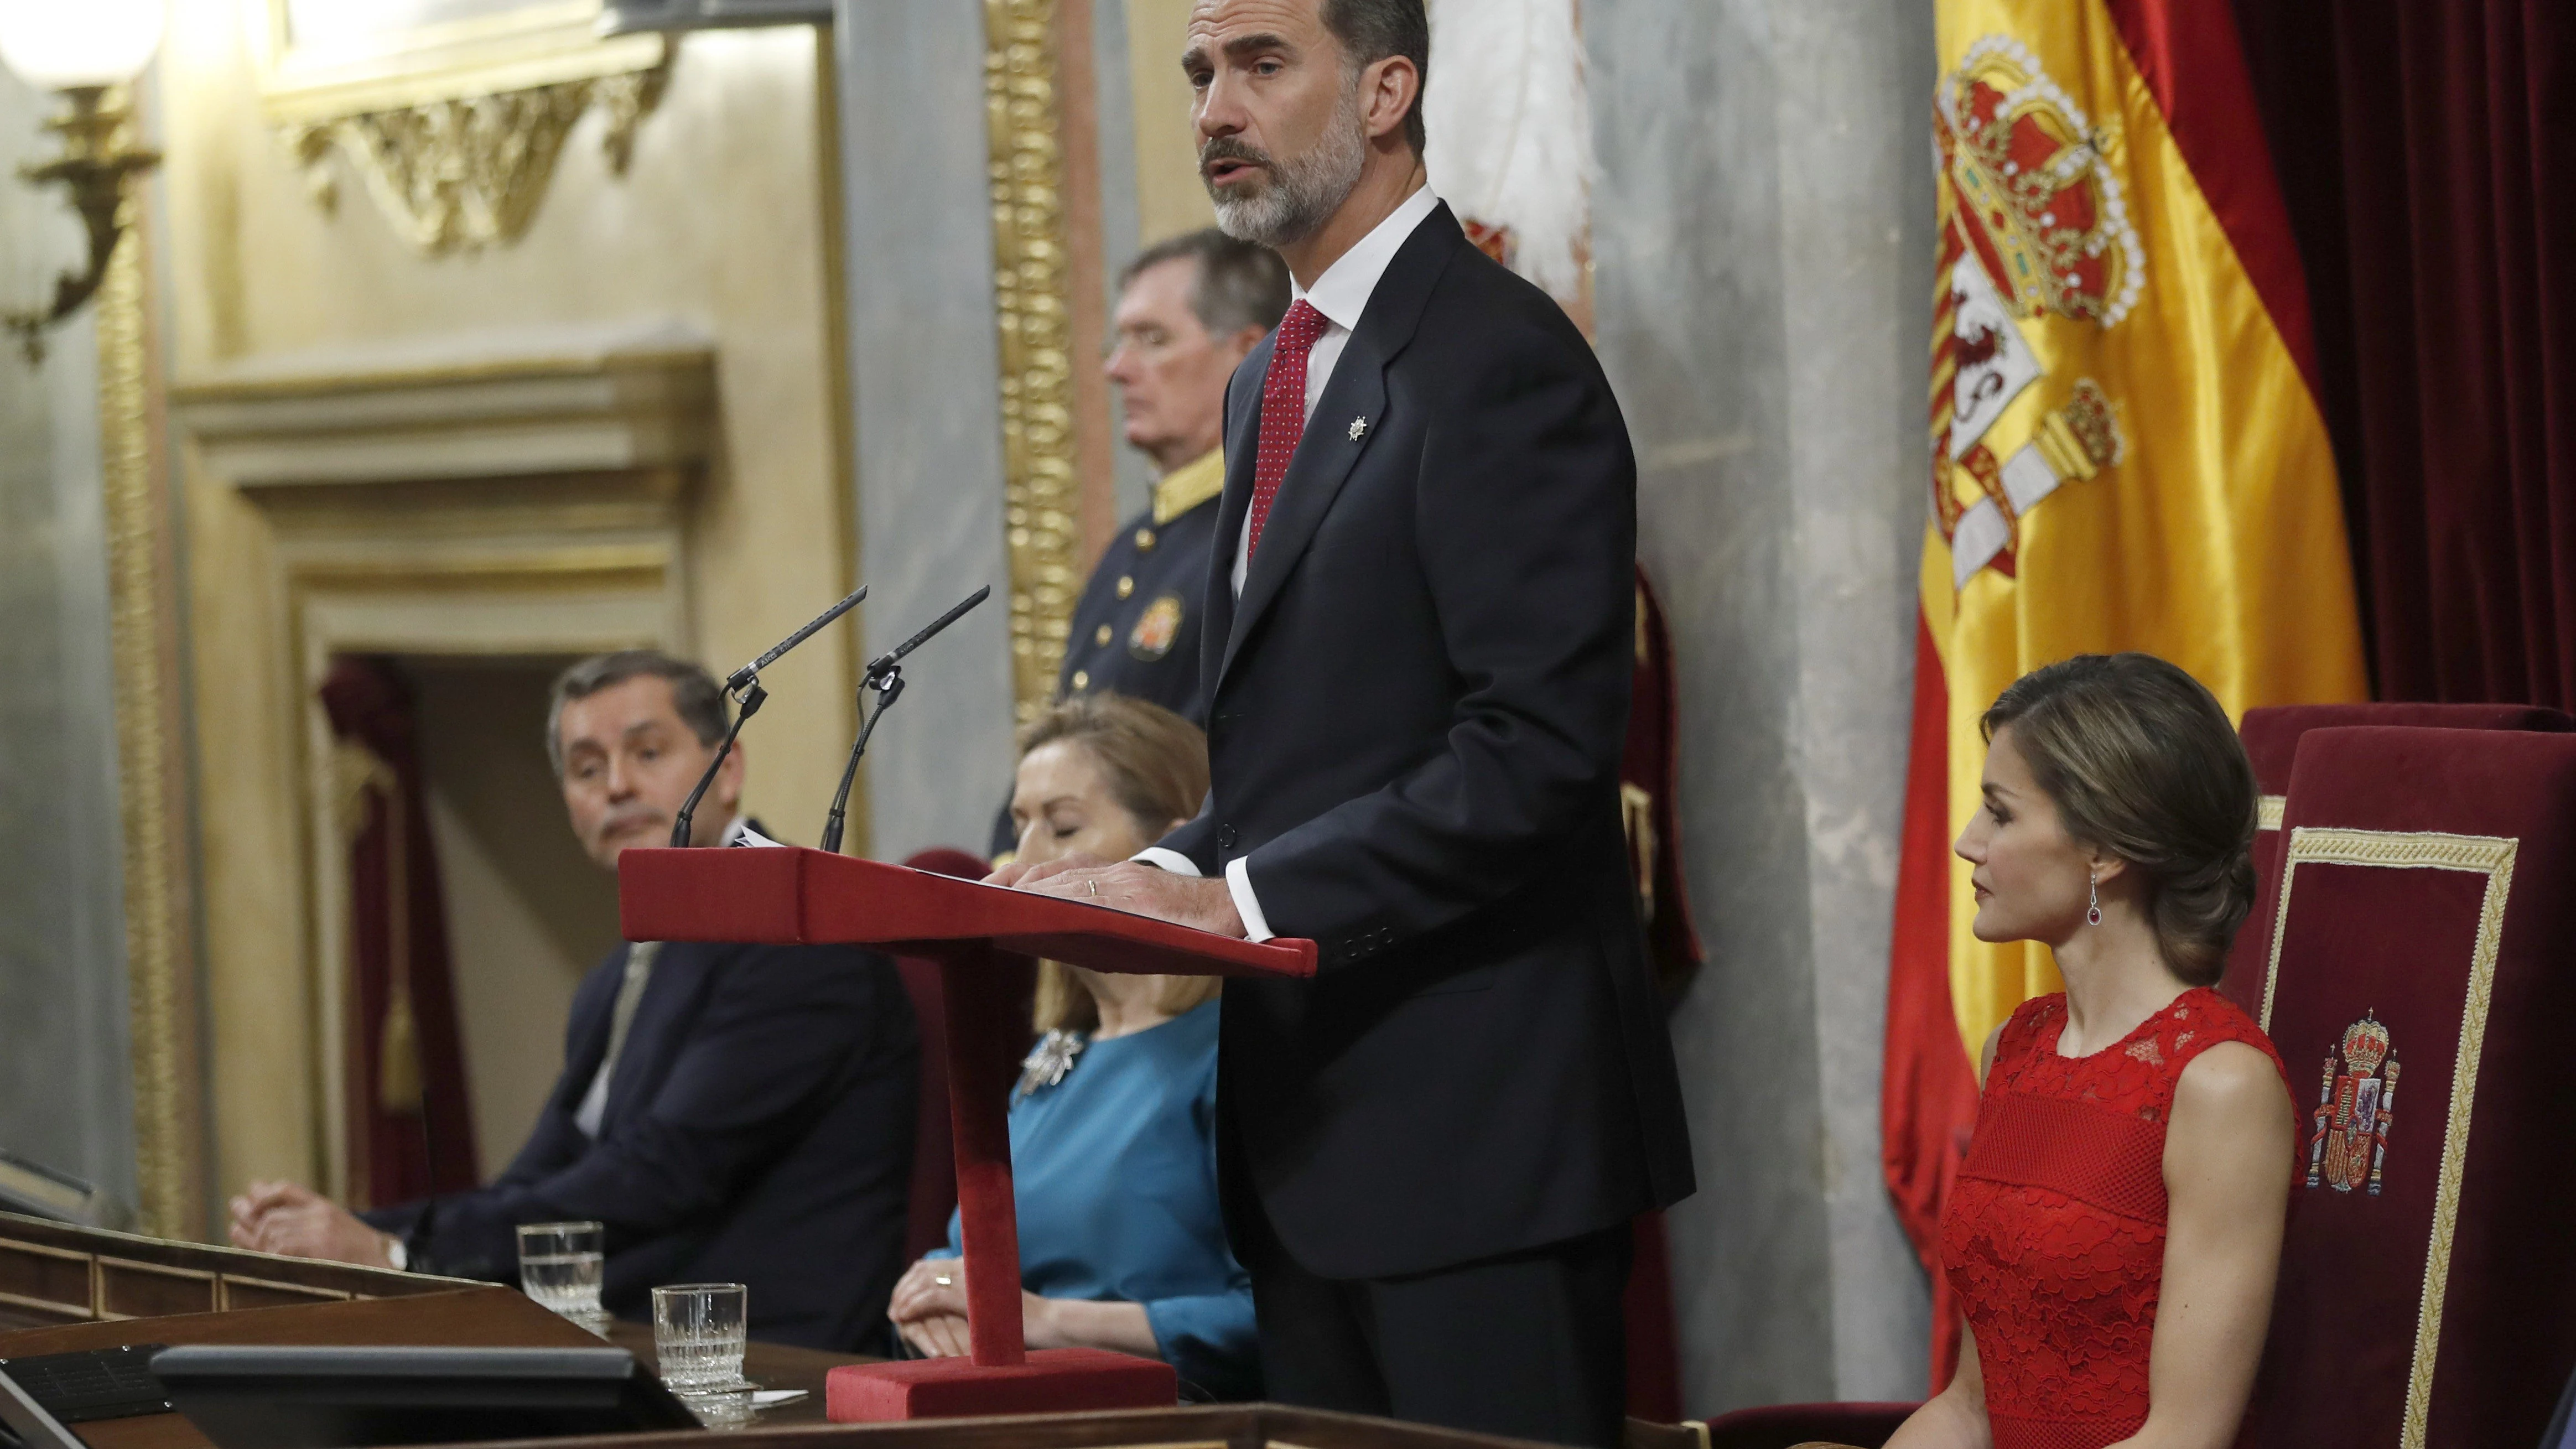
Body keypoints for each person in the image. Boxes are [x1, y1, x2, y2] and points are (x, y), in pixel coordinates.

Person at [994, 1, 1695, 1441]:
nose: (1214, 111)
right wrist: (1158, 878)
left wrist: (1233, 903)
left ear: (1387, 90)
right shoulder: (1273, 374)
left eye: (1262, 65)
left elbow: (1538, 758)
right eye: (1199, 73)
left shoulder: (1495, 354)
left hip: (1479, 1143)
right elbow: (1299, 757)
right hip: (1305, 1143)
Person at [230, 651, 920, 1353]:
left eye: (648, 753)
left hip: (773, 1369)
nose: (618, 786)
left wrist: (396, 1255)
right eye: (588, 769)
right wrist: (357, 1233)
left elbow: (660, 1176)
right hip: (639, 1349)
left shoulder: (797, 936)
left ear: (729, 767)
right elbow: (541, 1179)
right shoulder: (615, 979)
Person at [1888, 654, 2297, 1449]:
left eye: (2000, 814)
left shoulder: (2221, 1084)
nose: (1969, 843)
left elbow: (2185, 1436)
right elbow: (1971, 1405)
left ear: (2104, 850)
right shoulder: (2012, 1049)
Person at [895, 694, 1257, 1400]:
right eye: (1018, 826)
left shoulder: (1227, 1051)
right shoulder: (1059, 1052)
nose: (1021, 860)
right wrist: (931, 1295)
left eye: (1061, 828)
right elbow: (969, 1250)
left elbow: (1281, 1316)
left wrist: (1045, 1322)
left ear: (1173, 852)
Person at [992, 230, 1290, 858]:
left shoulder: (1268, 526)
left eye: (1152, 340)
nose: (1116, 367)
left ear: (1250, 352)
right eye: (1121, 340)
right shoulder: (1132, 547)